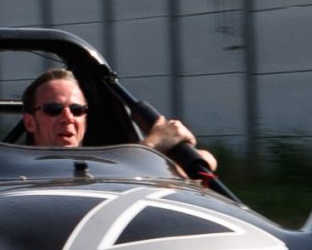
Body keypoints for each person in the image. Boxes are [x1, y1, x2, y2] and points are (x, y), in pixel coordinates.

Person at [19, 66, 216, 172]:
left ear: (85, 119)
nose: (67, 118)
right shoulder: (15, 170)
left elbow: (208, 161)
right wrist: (154, 143)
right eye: (53, 109)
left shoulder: (101, 163)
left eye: (77, 109)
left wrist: (188, 157)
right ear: (30, 122)